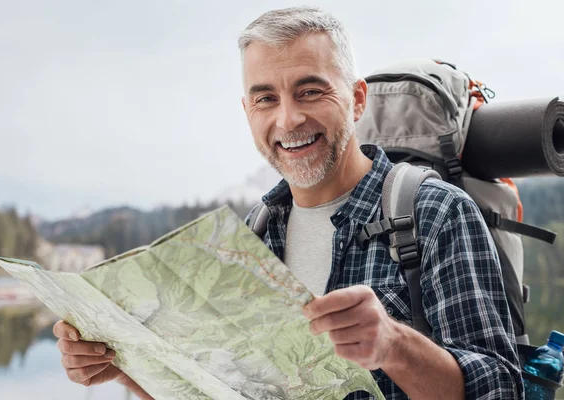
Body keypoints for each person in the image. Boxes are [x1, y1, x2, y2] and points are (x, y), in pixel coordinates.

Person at [52, 6, 524, 399]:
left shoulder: (436, 213)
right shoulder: (253, 235)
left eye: (310, 90)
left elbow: (502, 389)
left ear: (357, 100)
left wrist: (393, 345)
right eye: (265, 99)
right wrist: (126, 365)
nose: (288, 118)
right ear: (246, 111)